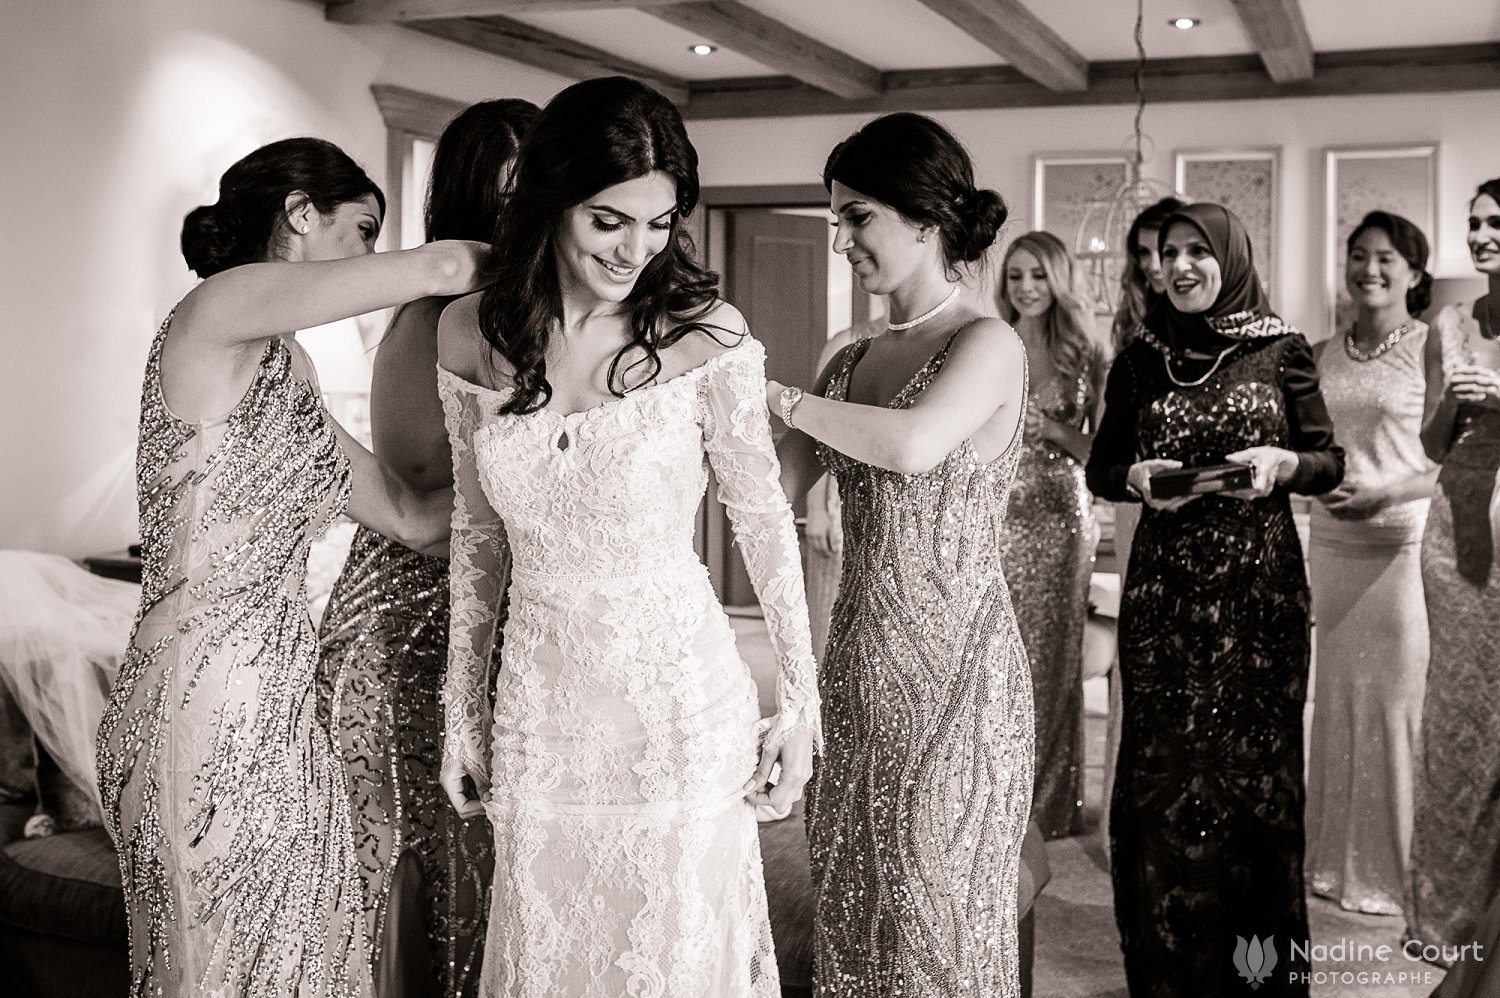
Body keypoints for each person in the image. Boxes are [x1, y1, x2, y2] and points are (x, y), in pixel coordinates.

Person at [432, 77, 820, 997]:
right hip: (543, 706)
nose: (636, 250)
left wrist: (800, 701)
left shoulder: (704, 335)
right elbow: (477, 535)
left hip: (675, 705)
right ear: (550, 198)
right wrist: (463, 707)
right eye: (610, 222)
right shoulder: (467, 335)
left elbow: (764, 520)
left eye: (658, 224)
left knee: (671, 959)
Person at [95, 137, 486, 997]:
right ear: (299, 215)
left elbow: (416, 521)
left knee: (303, 966)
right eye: (362, 229)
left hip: (284, 708)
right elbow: (451, 261)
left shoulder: (286, 370)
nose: (373, 257)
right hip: (196, 701)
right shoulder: (218, 307)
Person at [770, 111, 1032, 997]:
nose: (841, 239)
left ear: (924, 219)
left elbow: (914, 445)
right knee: (852, 903)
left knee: (937, 919)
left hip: (962, 676)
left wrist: (775, 396)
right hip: (858, 667)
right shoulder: (848, 362)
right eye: (837, 217)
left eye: (857, 217)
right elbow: (770, 487)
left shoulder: (987, 342)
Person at [1085, 202, 1344, 997]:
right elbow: (1102, 469)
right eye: (1170, 252)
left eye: (1200, 250)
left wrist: (1282, 464)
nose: (1184, 265)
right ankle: (1168, 971)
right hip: (1164, 599)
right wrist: (1133, 477)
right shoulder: (1138, 359)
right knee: (1161, 779)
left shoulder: (1283, 351)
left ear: (1230, 258)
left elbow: (1330, 462)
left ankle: (1258, 977)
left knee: (1256, 784)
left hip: (1258, 602)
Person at [314, 99, 536, 998]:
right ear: (474, 189)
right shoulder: (437, 310)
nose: (533, 202)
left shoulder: (526, 307)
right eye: (514, 182)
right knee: (416, 852)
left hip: (494, 617)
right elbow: (410, 466)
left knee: (489, 854)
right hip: (408, 621)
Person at [1305, 211, 1438, 917]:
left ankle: (1399, 871)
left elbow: (1455, 463)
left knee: (1396, 707)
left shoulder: (1430, 347)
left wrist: (1390, 490)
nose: (1370, 269)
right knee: (1336, 703)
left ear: (1414, 273)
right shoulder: (1324, 351)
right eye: (1359, 255)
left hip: (1400, 548)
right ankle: (1331, 860)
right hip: (1331, 543)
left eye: (1386, 258)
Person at [1408, 176, 1500, 962]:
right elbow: (1431, 445)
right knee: (1458, 723)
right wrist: (1456, 407)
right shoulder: (1449, 321)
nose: (1481, 235)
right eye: (1473, 224)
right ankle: (1446, 920)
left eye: (1495, 222)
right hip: (1456, 536)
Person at [996, 230, 1105, 840]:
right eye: (1015, 276)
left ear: (1058, 279)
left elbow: (1106, 454)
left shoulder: (1087, 352)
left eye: (1038, 275)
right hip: (997, 519)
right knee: (999, 660)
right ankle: (1000, 795)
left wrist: (1054, 430)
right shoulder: (990, 342)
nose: (1026, 288)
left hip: (1061, 520)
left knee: (1051, 659)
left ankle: (1048, 803)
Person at [1101, 196, 1185, 850]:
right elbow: (1111, 443)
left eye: (1171, 250)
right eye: (1147, 253)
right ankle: (1137, 821)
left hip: (1207, 509)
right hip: (1139, 506)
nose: (1158, 266)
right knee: (1143, 657)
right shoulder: (1131, 334)